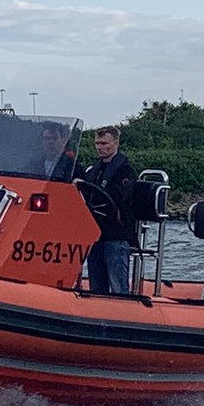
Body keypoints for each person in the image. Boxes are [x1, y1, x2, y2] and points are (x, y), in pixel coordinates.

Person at [82, 125, 137, 294]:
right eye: (97, 143)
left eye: (104, 143)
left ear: (116, 143)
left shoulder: (126, 172)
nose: (100, 147)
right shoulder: (94, 171)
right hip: (95, 234)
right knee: (96, 286)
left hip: (116, 234)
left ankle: (124, 308)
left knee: (118, 285)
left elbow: (118, 197)